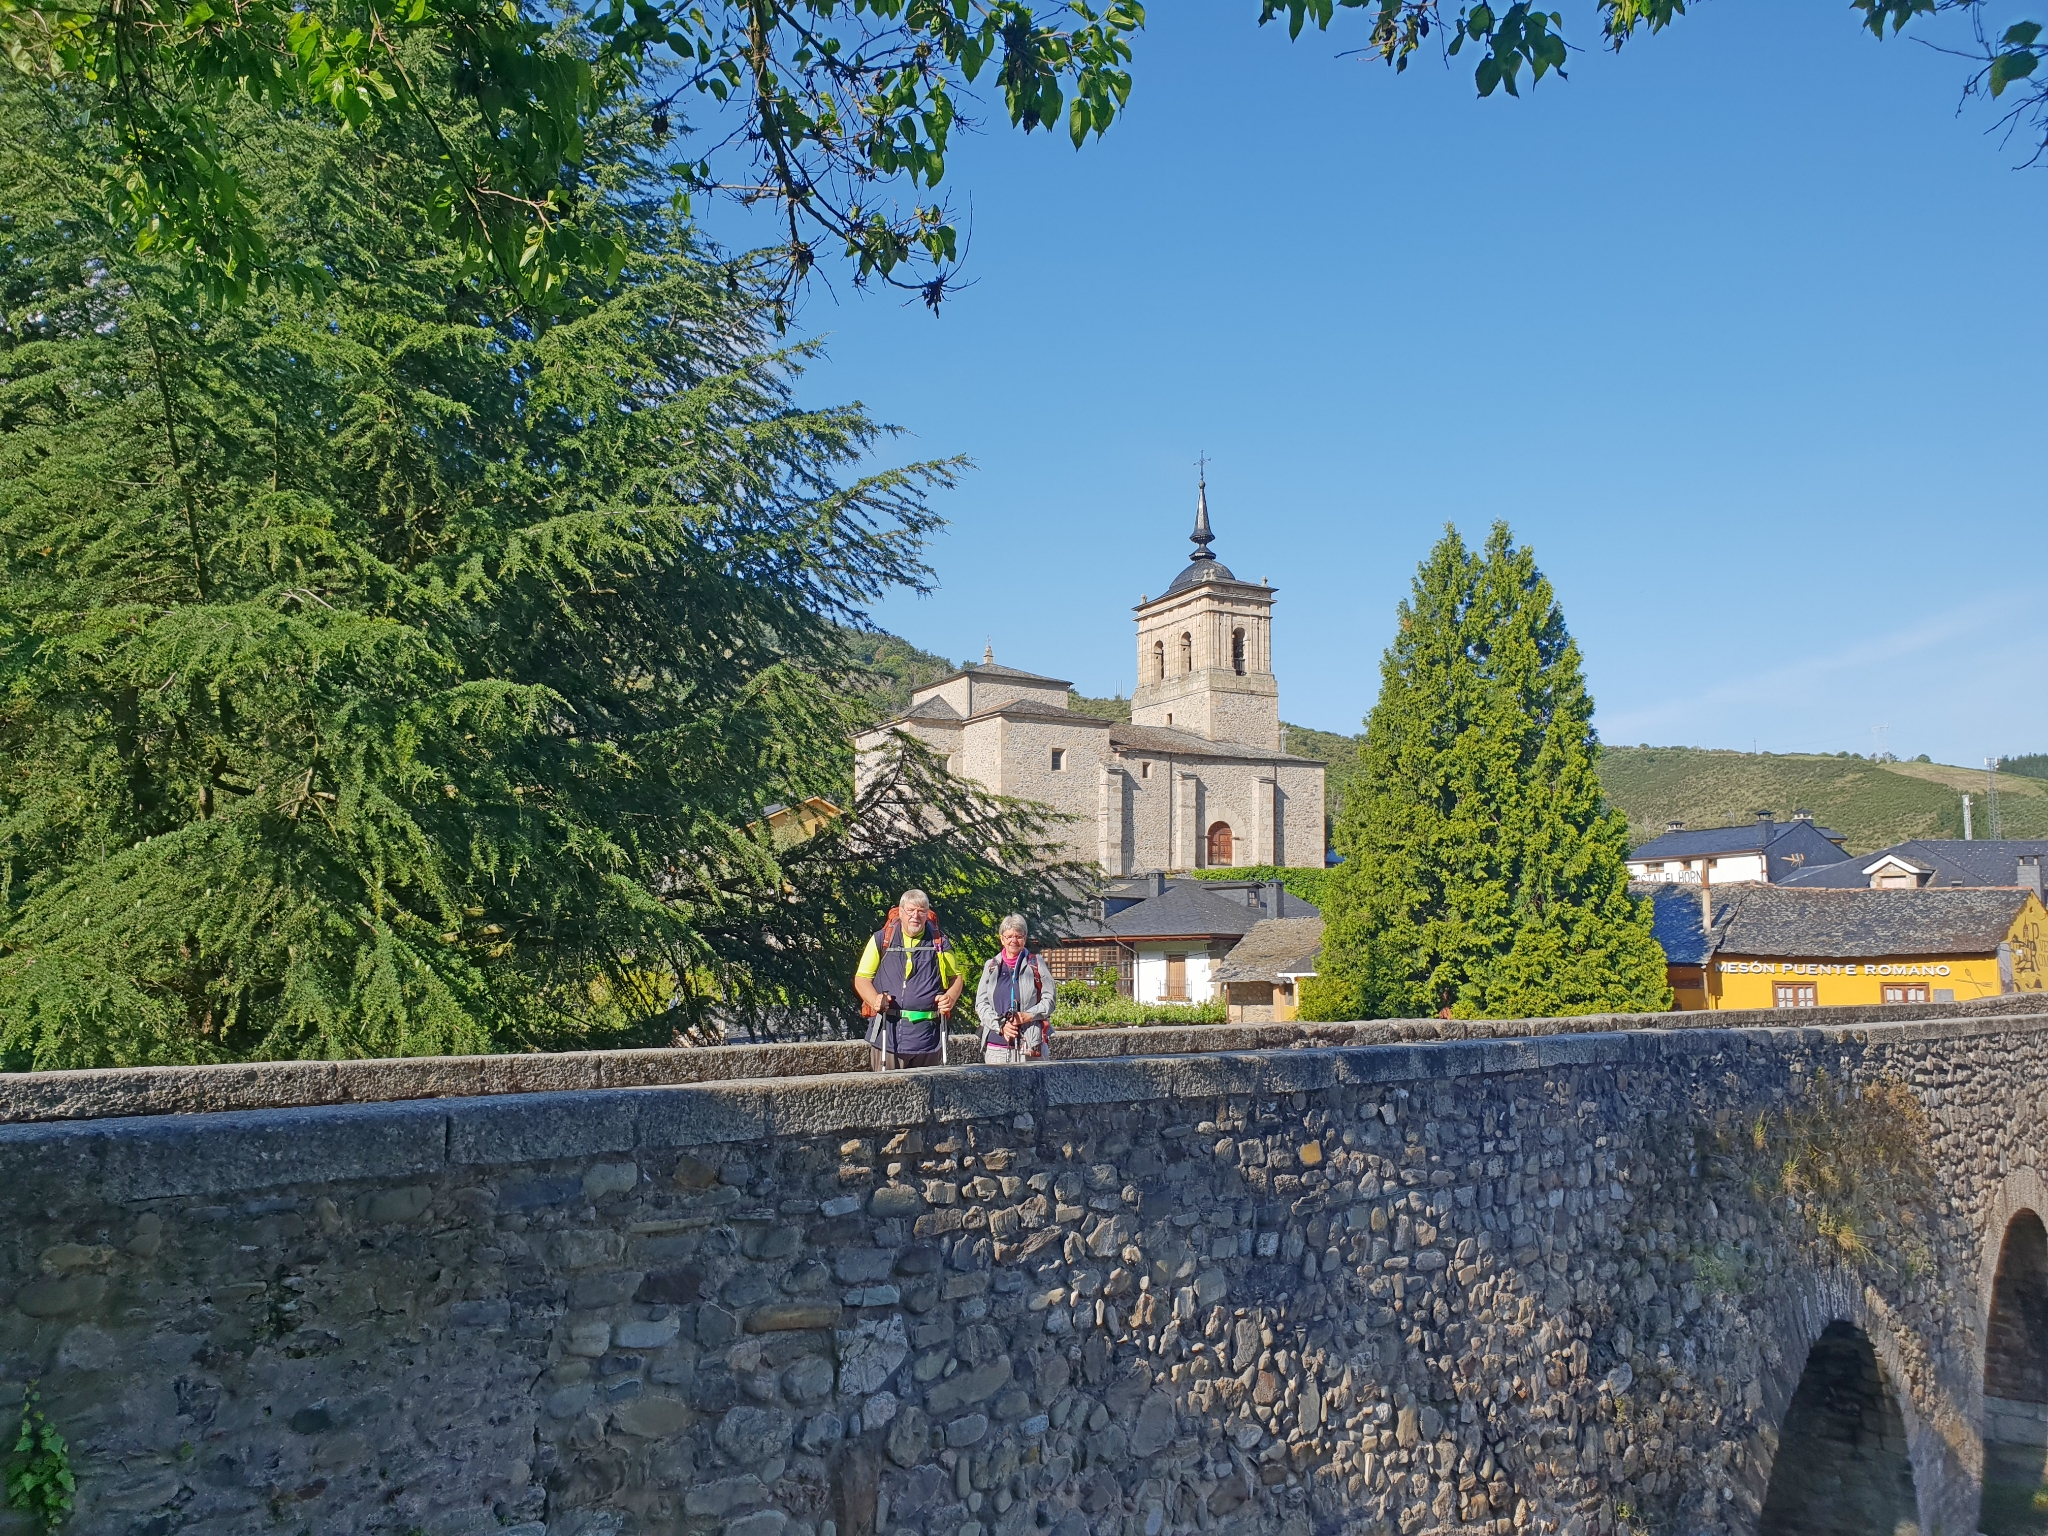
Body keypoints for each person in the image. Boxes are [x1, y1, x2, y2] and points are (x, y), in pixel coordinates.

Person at [852, 889, 965, 1070]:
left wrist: (950, 998)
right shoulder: (881, 939)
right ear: (901, 911)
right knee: (888, 1095)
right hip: (888, 1034)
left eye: (921, 911)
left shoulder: (940, 943)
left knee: (928, 1096)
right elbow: (862, 978)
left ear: (927, 914)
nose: (916, 916)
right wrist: (875, 1000)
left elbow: (956, 978)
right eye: (911, 910)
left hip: (929, 1036)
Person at [975, 914, 1056, 1065]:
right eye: (1009, 936)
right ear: (1002, 939)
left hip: (1030, 1045)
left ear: (1024, 939)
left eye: (1018, 936)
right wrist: (1000, 1026)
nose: (1014, 940)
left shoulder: (1036, 964)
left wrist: (1028, 1016)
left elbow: (1050, 1000)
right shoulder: (991, 966)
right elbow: (981, 1004)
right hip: (997, 1046)